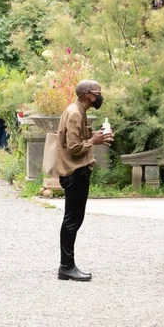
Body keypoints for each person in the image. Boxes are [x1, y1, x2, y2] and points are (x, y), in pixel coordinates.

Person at [55, 80, 113, 282]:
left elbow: (78, 140)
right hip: (74, 172)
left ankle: (67, 265)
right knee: (72, 220)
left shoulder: (79, 111)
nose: (100, 95)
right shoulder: (74, 113)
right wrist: (93, 141)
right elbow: (72, 147)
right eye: (98, 92)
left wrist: (97, 136)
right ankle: (66, 266)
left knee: (74, 220)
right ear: (88, 94)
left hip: (77, 171)